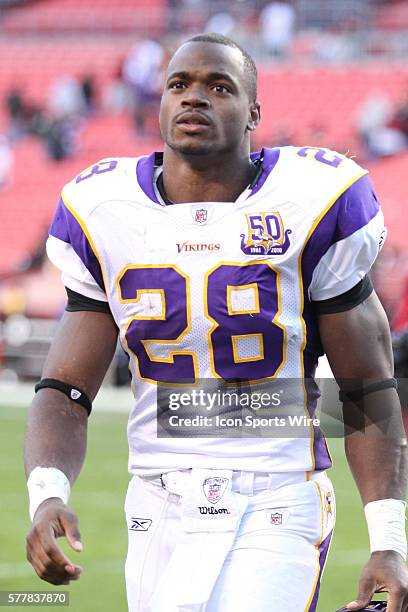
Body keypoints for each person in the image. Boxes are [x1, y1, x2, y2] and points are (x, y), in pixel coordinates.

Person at [24, 33, 408, 612]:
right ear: (158, 104)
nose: (194, 98)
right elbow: (65, 391)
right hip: (157, 501)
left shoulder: (314, 200)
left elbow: (362, 386)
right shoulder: (104, 210)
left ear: (255, 111)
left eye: (218, 87)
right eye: (179, 84)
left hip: (277, 495)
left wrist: (389, 541)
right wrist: (47, 494)